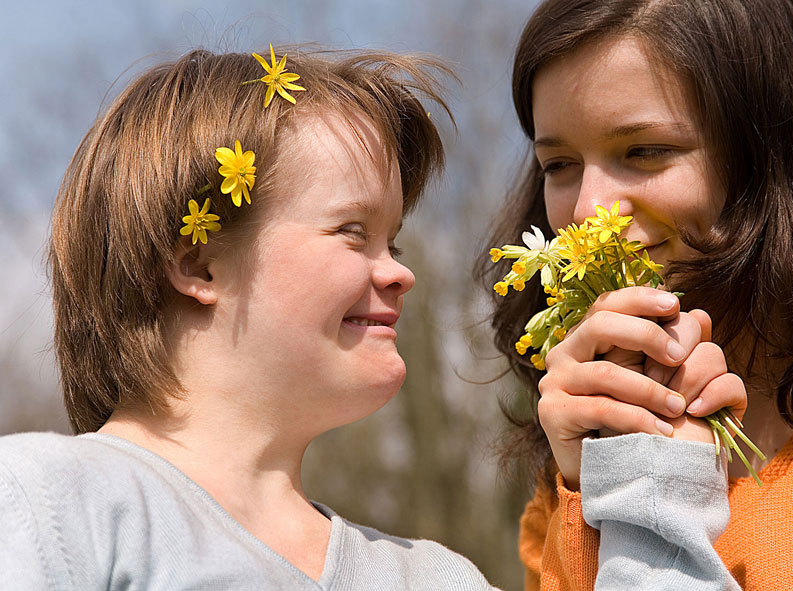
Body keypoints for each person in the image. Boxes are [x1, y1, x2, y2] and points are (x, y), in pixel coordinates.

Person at [0, 44, 744, 590]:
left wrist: (652, 469)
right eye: (353, 231)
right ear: (198, 265)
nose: (401, 270)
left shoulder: (435, 578)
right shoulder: (47, 503)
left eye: (396, 238)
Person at [480, 0, 793, 589]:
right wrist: (602, 490)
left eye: (645, 151)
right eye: (560, 164)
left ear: (774, 148)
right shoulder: (570, 476)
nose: (586, 210)